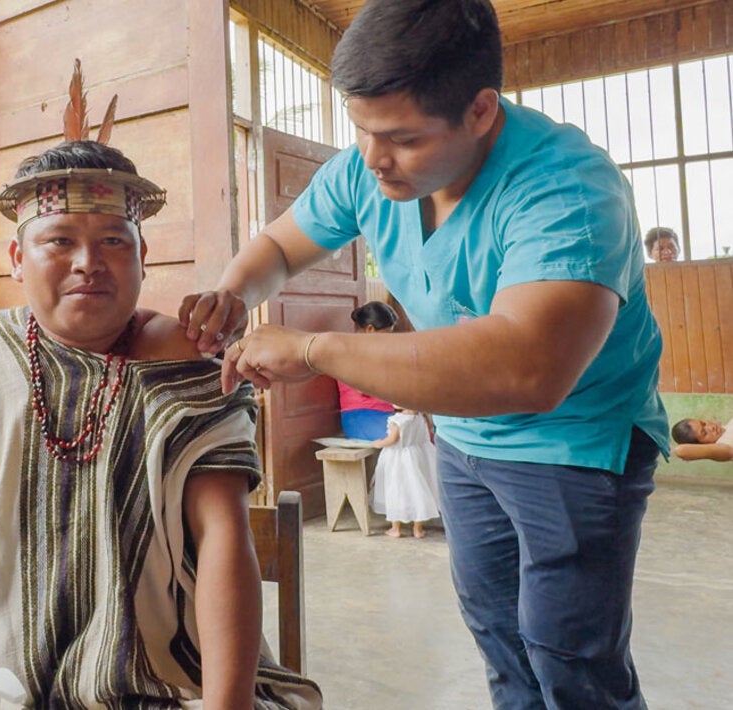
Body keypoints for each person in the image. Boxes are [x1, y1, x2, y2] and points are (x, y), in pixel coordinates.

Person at [177, 1, 668, 708]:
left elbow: (526, 369)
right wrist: (231, 288)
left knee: (569, 655)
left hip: (574, 443)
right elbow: (283, 245)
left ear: (478, 110)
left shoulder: (568, 188)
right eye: (362, 132)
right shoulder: (371, 165)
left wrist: (314, 349)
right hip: (465, 436)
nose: (374, 159)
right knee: (499, 634)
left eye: (402, 138)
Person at [0, 63, 320, 710]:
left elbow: (224, 542)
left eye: (114, 241)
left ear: (144, 258)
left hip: (166, 681)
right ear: (16, 259)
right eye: (58, 240)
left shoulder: (186, 365)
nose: (88, 263)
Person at [369, 407, 441, 538]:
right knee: (419, 491)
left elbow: (393, 440)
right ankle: (418, 529)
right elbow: (429, 430)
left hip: (398, 460)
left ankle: (395, 528)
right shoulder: (422, 417)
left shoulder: (398, 420)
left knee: (396, 490)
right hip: (418, 456)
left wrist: (378, 443)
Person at [337, 302, 397, 440]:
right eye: (386, 334)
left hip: (387, 414)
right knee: (398, 439)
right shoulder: (348, 351)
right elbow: (362, 388)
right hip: (361, 416)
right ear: (370, 329)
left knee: (420, 435)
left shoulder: (378, 352)